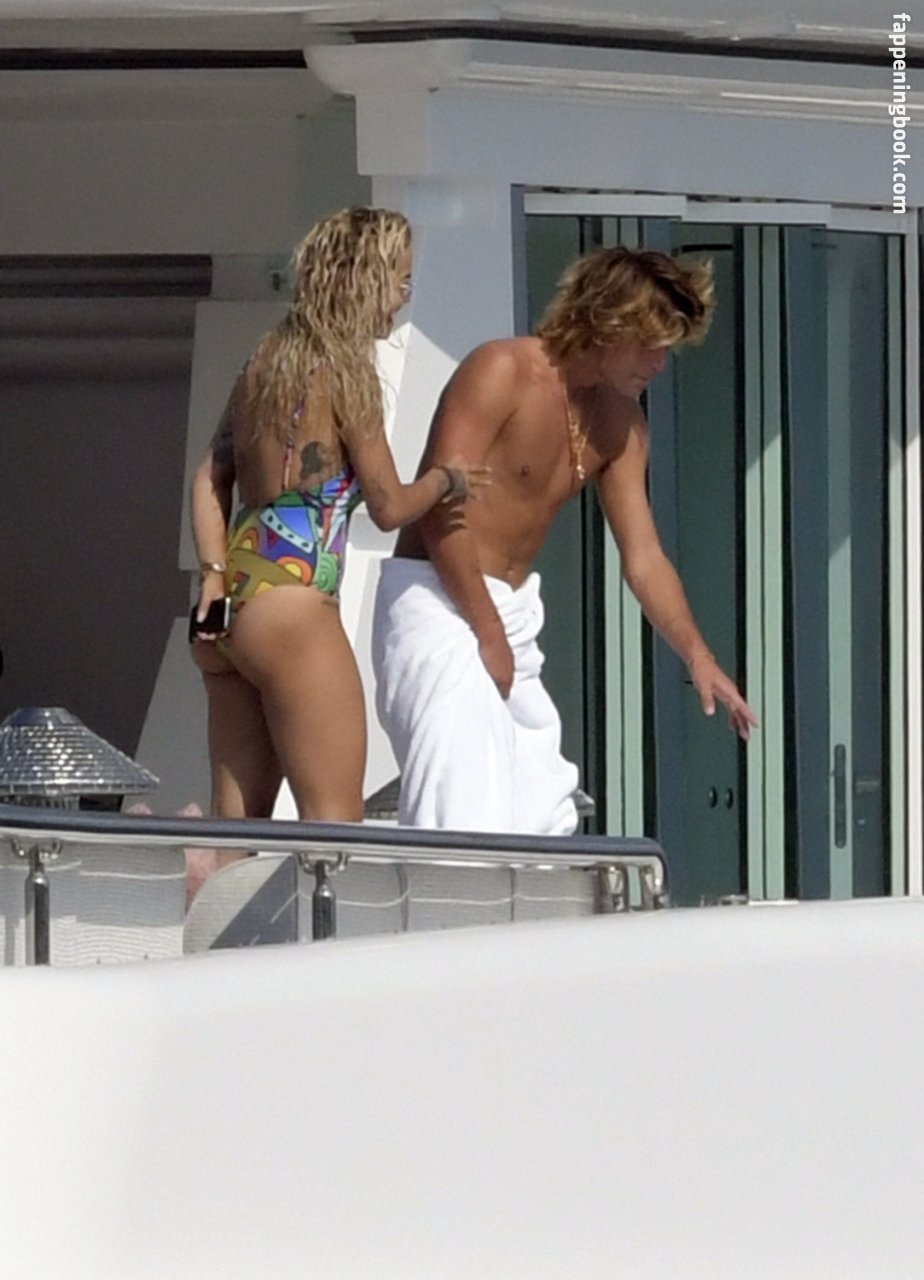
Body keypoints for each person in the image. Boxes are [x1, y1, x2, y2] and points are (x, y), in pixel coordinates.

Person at [372, 245, 757, 835]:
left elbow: (644, 557)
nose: (660, 363)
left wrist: (698, 656)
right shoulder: (502, 370)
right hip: (436, 599)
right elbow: (441, 510)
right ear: (609, 321)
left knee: (540, 807)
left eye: (668, 348)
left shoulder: (622, 424)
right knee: (459, 800)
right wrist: (486, 630)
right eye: (649, 344)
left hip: (509, 614)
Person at [189, 206, 488, 842]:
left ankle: (212, 911)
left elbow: (209, 477)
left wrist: (212, 575)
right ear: (365, 281)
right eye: (400, 282)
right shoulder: (348, 374)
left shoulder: (265, 361)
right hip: (294, 610)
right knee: (335, 828)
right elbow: (389, 506)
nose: (404, 298)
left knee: (232, 835)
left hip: (230, 608)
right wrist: (446, 480)